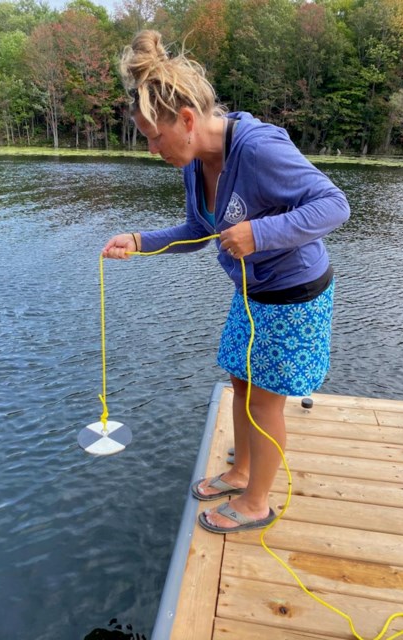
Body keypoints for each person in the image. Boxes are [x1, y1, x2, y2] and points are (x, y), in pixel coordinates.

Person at [102, 30, 350, 534]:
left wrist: (261, 233)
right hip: (252, 292)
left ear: (188, 120)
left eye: (154, 136)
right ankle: (240, 471)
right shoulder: (195, 162)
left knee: (266, 398)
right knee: (240, 382)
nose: (151, 148)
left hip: (294, 294)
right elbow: (201, 230)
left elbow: (334, 205)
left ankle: (257, 502)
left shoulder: (258, 148)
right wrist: (139, 239)